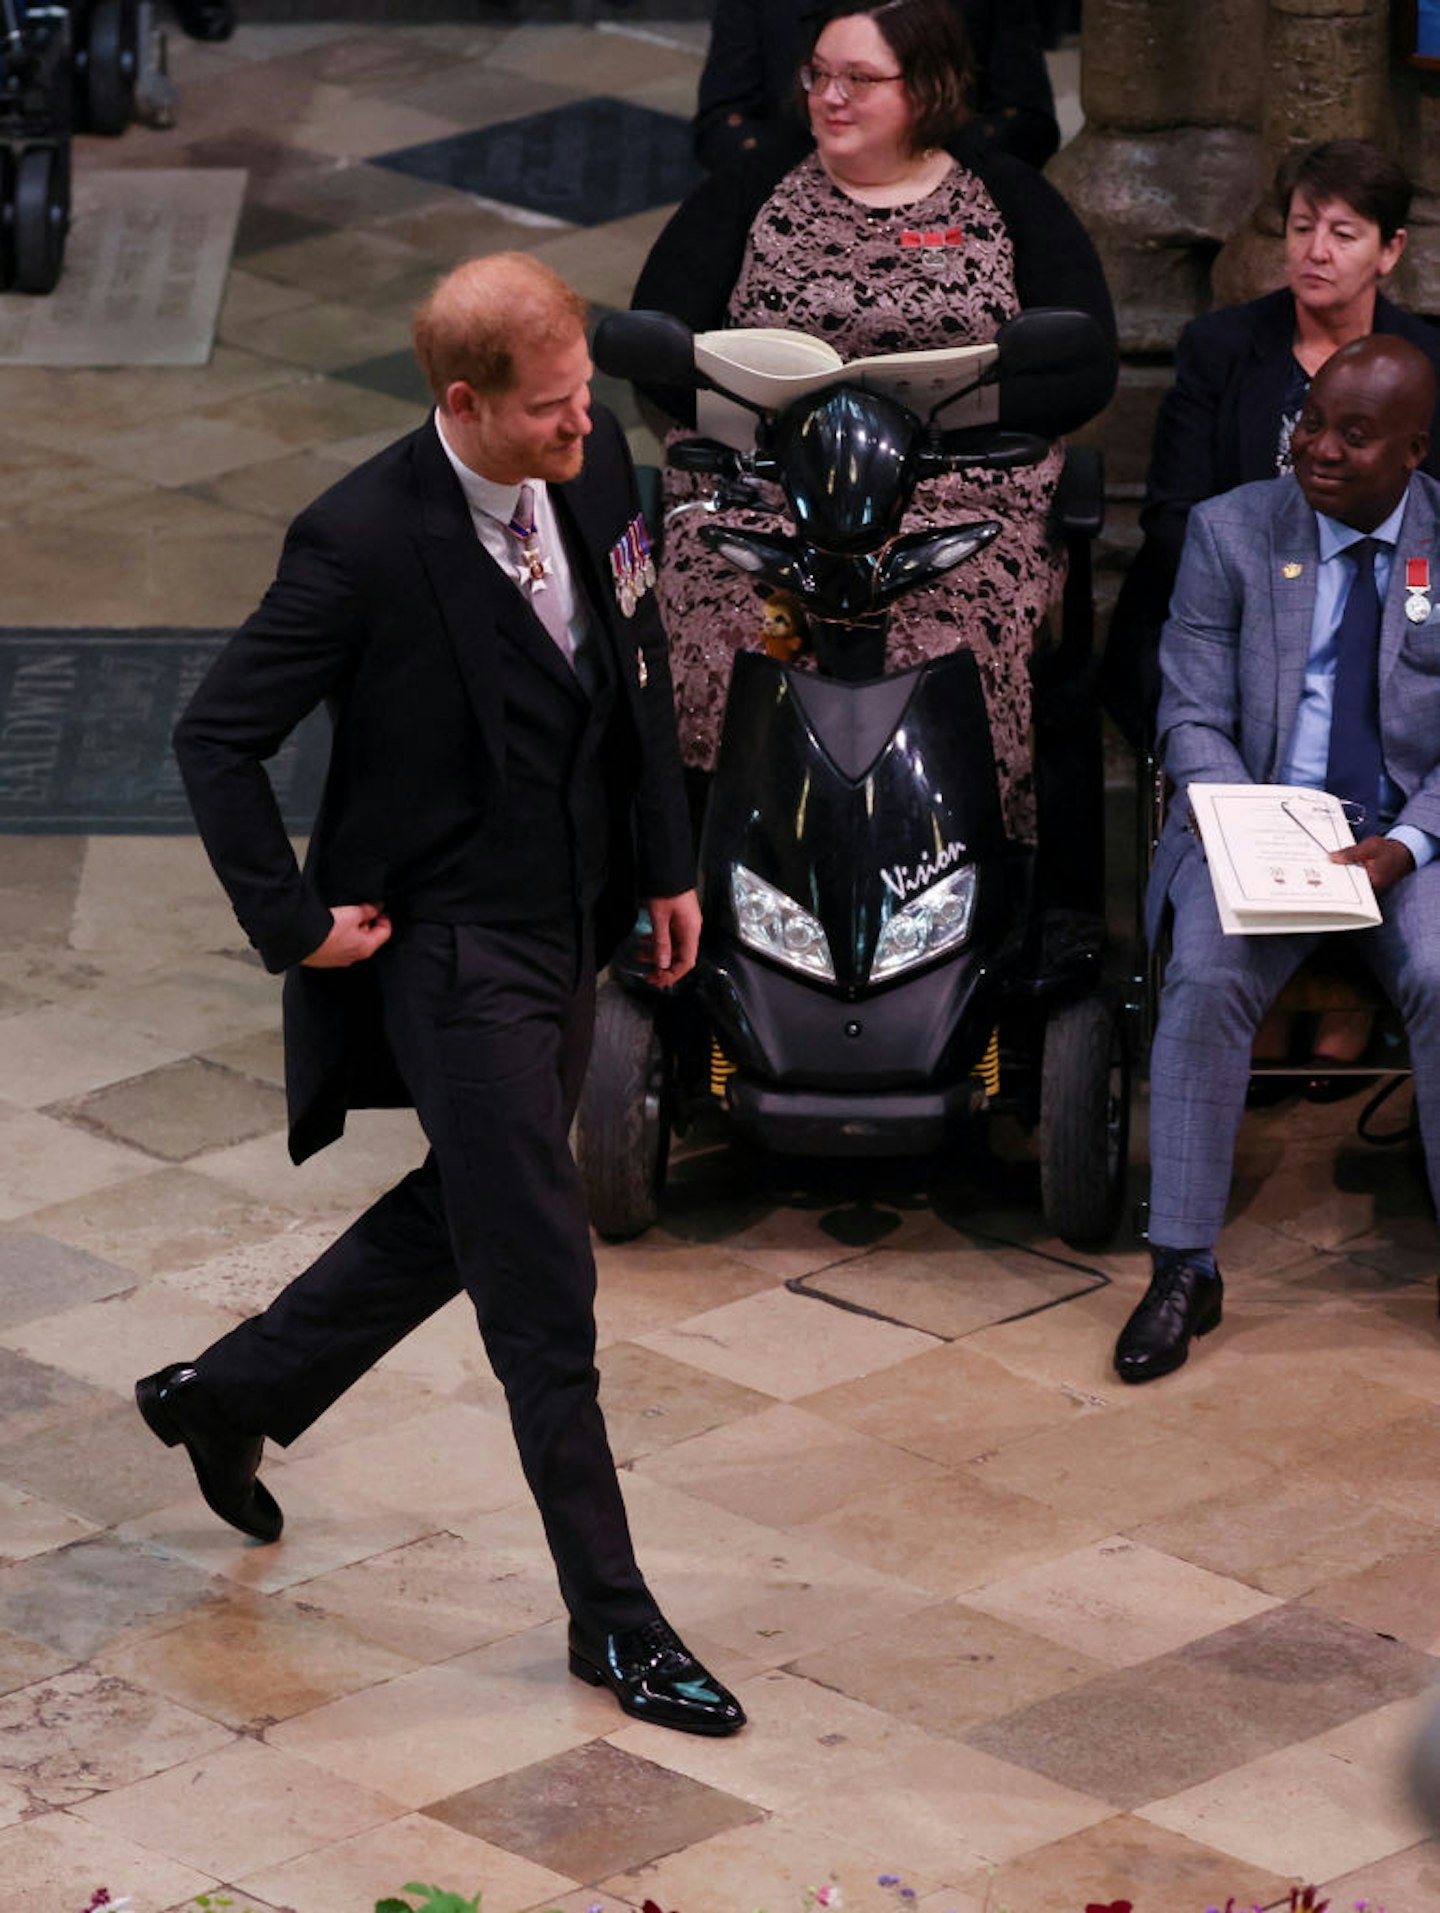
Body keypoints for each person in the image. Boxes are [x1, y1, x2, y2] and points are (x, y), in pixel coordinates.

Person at [134, 253, 745, 1740]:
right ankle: (617, 1620)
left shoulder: (602, 484)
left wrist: (666, 862)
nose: (583, 426)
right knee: (545, 1282)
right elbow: (214, 735)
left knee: (474, 1206)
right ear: (462, 403)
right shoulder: (356, 541)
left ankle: (228, 1391)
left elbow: (644, 677)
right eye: (549, 410)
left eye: (586, 393)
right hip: (451, 948)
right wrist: (295, 924)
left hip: (571, 923)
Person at [635, 0, 1115, 849]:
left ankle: (949, 864)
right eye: (818, 75)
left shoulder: (1004, 193)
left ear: (926, 90)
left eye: (859, 79)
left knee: (948, 639)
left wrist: (964, 412)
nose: (830, 96)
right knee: (726, 627)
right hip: (764, 491)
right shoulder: (752, 188)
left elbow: (1086, 364)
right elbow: (658, 344)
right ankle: (717, 869)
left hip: (956, 495)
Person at [1116, 333, 1440, 1385]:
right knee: (1205, 978)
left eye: (1355, 435)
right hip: (1252, 826)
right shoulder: (1231, 531)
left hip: (1405, 841)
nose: (1320, 450)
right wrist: (1250, 831)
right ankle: (1181, 1267)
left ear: (1414, 452)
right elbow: (1193, 715)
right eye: (1312, 423)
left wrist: (1404, 844)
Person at [1103, 140, 1440, 750]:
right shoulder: (1220, 348)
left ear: (1389, 250)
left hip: (1385, 604)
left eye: (1343, 234)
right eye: (1302, 227)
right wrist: (1272, 602)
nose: (1316, 252)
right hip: (1230, 608)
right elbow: (1171, 514)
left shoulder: (1424, 365)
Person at [692, 0, 1059, 172]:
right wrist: (818, 178)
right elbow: (721, 125)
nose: (835, 95)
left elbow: (1028, 124)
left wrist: (921, 172)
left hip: (949, 207)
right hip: (788, 189)